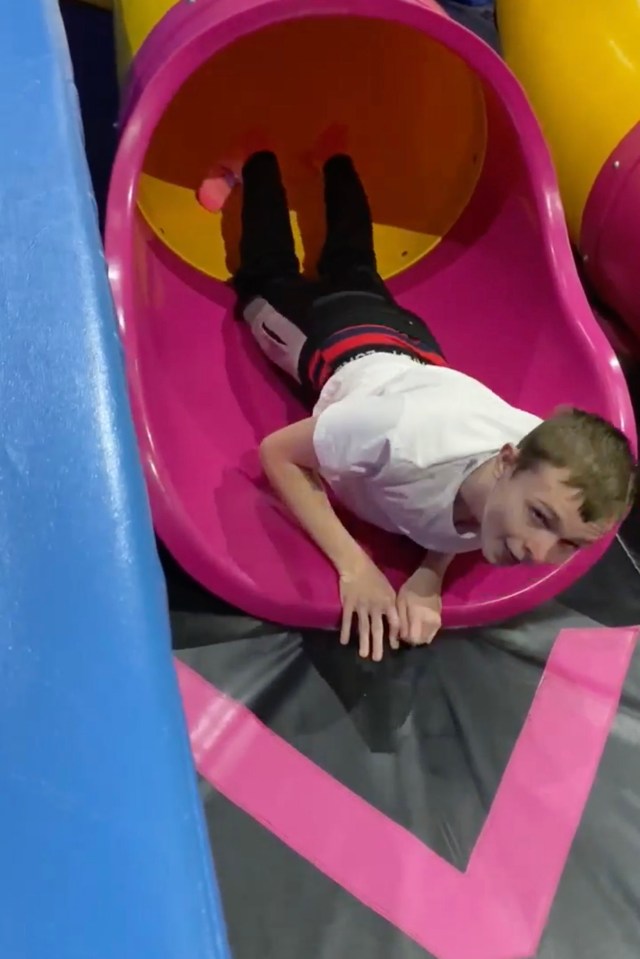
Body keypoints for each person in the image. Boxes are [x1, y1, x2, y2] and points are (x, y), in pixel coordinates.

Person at [202, 132, 637, 662]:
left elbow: (476, 506)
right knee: (266, 281)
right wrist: (353, 566)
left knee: (356, 267)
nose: (538, 552)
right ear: (506, 461)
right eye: (542, 518)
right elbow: (279, 454)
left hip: (415, 346)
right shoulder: (401, 436)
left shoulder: (528, 473)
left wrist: (430, 574)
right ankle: (261, 159)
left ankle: (336, 159)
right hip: (335, 341)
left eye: (569, 541)